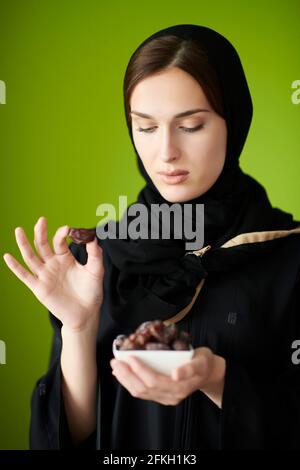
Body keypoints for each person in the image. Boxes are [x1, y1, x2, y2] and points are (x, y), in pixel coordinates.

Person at [3, 24, 300, 450]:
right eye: (145, 127)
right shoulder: (95, 260)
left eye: (192, 125)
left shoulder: (288, 255)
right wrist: (79, 328)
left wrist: (217, 379)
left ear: (233, 122)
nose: (166, 153)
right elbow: (66, 437)